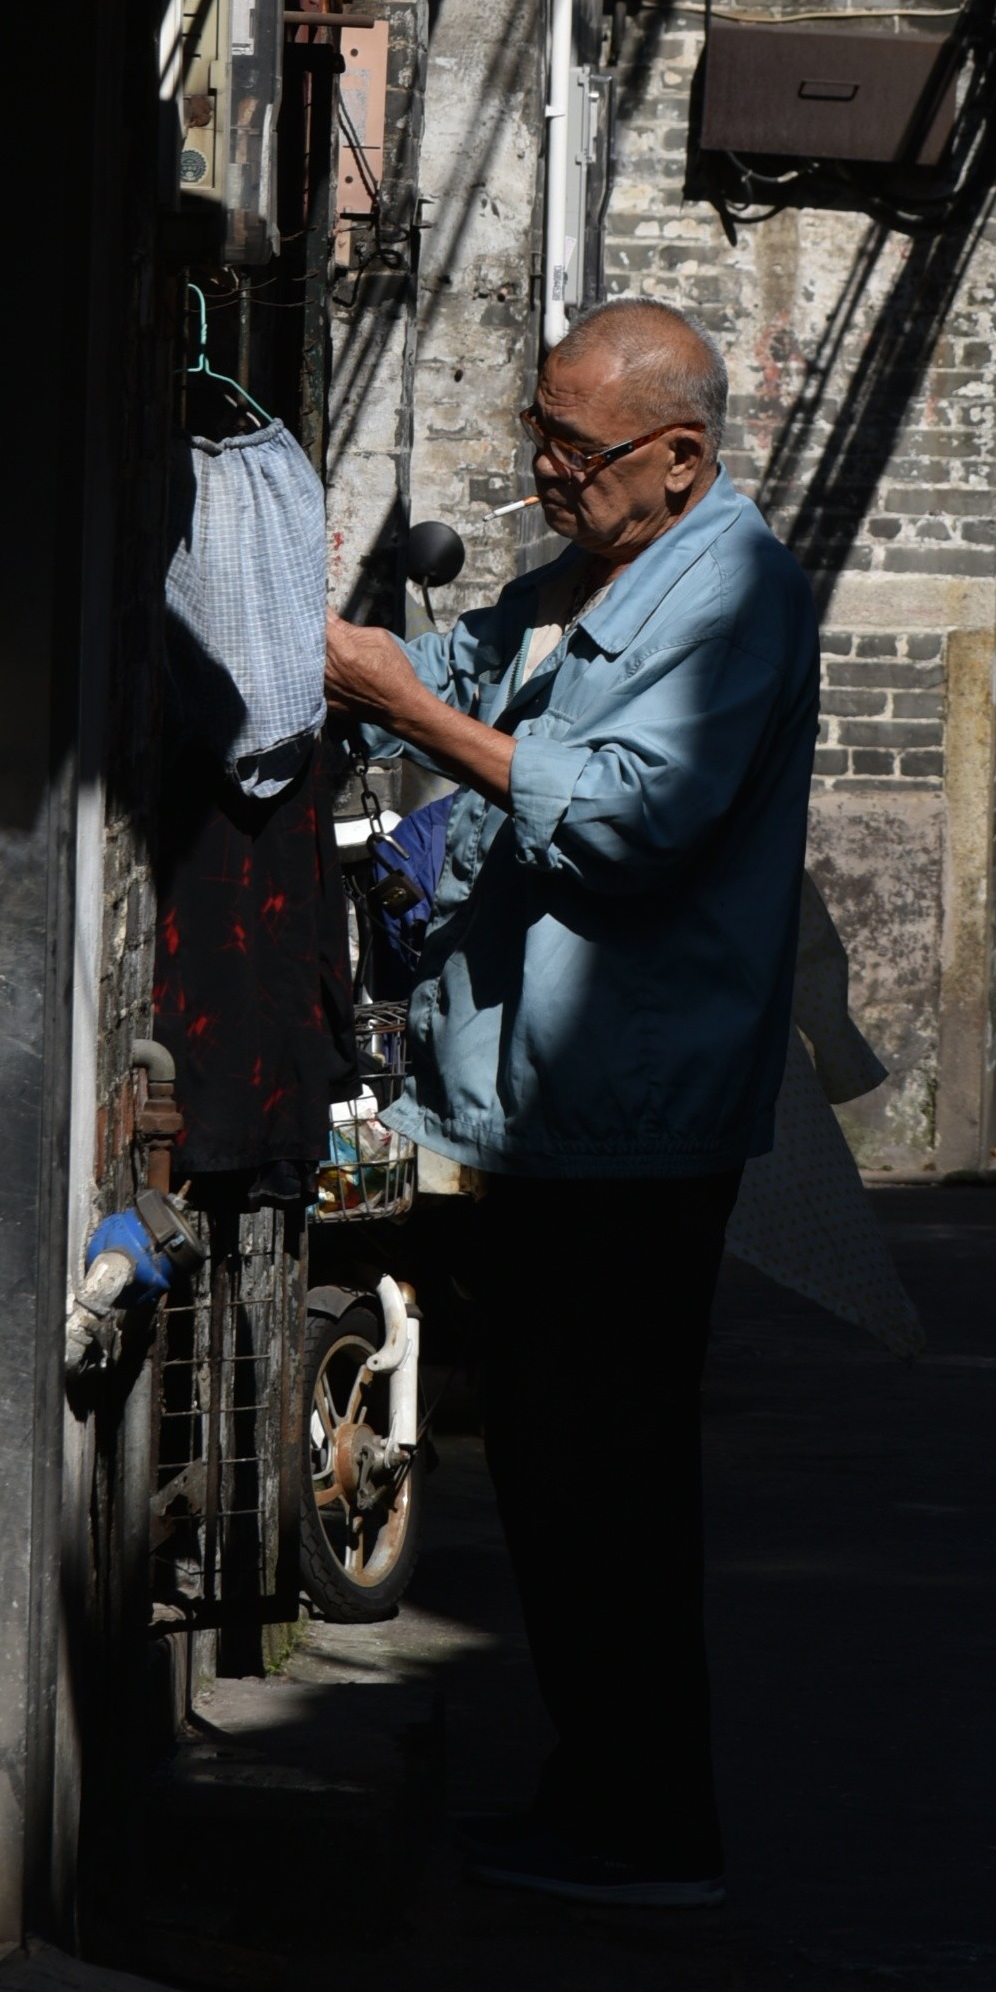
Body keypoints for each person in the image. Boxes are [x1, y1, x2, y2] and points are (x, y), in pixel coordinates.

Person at [322, 298, 819, 1910]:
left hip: (631, 1109)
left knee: (603, 1468)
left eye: (575, 448)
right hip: (542, 1102)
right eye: (536, 432)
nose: (544, 470)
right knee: (547, 1457)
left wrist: (416, 718)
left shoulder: (727, 592)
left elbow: (623, 819)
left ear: (676, 460)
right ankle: (599, 1785)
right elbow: (475, 668)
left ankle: (647, 1817)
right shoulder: (584, 578)